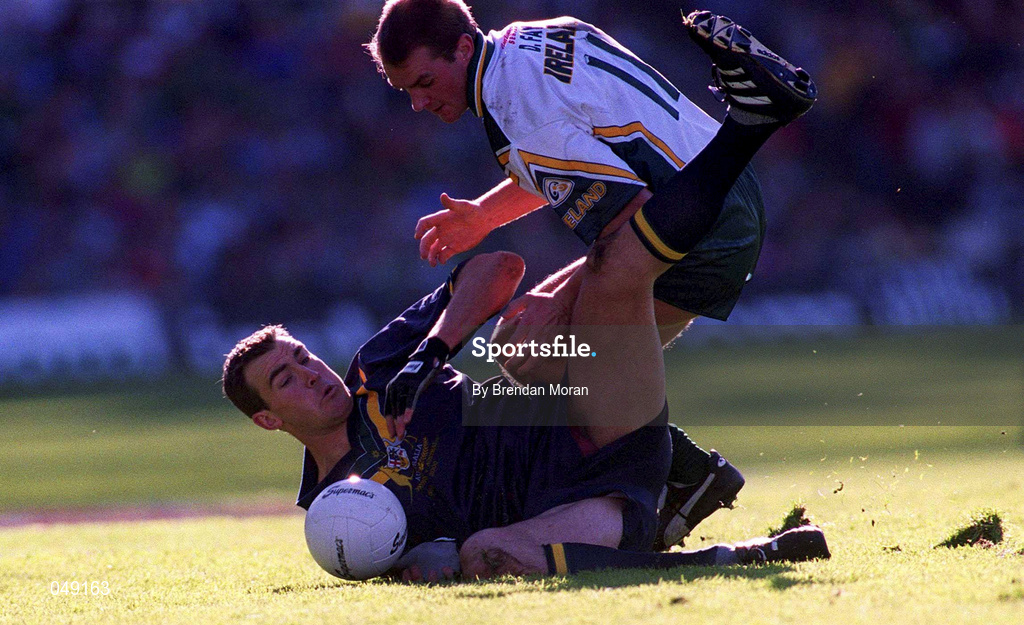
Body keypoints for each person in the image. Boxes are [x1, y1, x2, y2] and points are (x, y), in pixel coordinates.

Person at [366, 1, 817, 549]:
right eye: (403, 90)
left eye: (424, 81)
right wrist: (486, 215)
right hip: (718, 187)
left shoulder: (517, 107)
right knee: (517, 347)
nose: (417, 102)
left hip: (702, 229)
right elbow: (576, 147)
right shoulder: (523, 43)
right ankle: (684, 472)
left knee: (567, 367)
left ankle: (666, 489)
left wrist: (563, 301)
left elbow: (628, 221)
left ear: (462, 48)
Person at [221, 251, 830, 581]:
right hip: (584, 509)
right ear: (269, 420)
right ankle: (734, 552)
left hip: (592, 424)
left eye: (302, 356)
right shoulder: (333, 516)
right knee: (485, 554)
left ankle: (703, 233)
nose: (309, 374)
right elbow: (422, 566)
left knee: (520, 341)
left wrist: (430, 354)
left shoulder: (376, 370)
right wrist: (420, 565)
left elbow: (500, 270)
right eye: (285, 380)